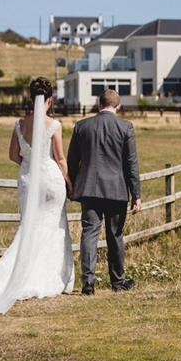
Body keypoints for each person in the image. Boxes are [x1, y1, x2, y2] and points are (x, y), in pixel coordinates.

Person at [0, 76, 74, 314]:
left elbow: (12, 154)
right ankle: (47, 276)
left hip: (28, 180)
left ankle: (17, 274)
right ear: (49, 100)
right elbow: (60, 159)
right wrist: (69, 182)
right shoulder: (54, 125)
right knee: (53, 226)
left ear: (31, 99)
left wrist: (28, 165)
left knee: (28, 226)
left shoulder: (19, 124)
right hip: (50, 180)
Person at [68, 89, 141, 295]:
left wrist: (71, 186)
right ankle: (118, 282)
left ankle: (88, 283)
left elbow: (73, 160)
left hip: (89, 188)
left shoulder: (82, 126)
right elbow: (131, 163)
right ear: (118, 106)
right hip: (116, 189)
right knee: (115, 235)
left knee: (89, 233)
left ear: (99, 104)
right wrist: (136, 194)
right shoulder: (126, 127)